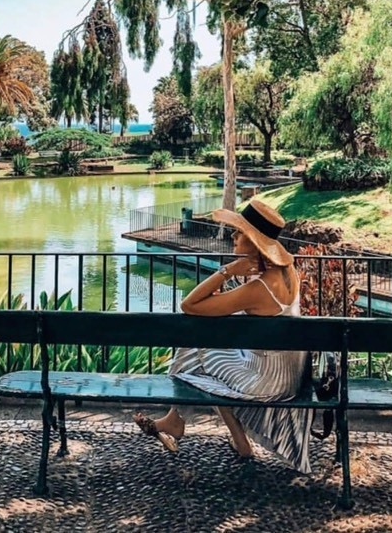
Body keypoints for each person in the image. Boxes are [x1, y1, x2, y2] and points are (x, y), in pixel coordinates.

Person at [133, 199, 313, 472]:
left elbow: (190, 305)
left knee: (195, 351)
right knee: (203, 358)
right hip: (289, 371)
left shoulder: (260, 288)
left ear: (254, 242)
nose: (233, 235)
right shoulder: (287, 272)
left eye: (239, 232)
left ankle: (177, 420)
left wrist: (227, 270)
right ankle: (180, 421)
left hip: (267, 380)